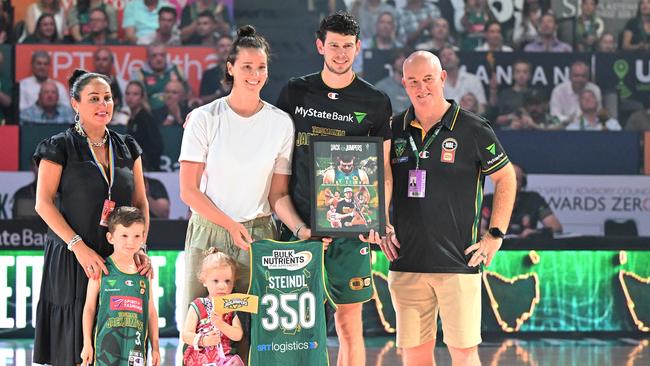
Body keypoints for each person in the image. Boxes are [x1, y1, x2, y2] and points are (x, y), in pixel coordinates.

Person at [380, 50, 516, 366]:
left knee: (465, 355)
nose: (421, 87)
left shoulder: (473, 128)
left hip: (458, 263)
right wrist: (379, 223)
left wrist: (495, 234)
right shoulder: (393, 128)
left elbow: (506, 177)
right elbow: (378, 180)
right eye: (413, 81)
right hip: (406, 261)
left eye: (428, 79)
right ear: (404, 84)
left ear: (442, 78)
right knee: (414, 356)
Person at [276, 12, 393, 366]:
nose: (340, 53)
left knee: (348, 325)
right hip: (299, 227)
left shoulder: (375, 102)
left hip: (351, 232)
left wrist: (378, 220)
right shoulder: (295, 91)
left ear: (357, 48)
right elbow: (265, 136)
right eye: (333, 45)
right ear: (319, 46)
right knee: (295, 327)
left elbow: (383, 172)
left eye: (347, 46)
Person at [179, 25, 303, 333]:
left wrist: (302, 230)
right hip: (209, 235)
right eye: (247, 66)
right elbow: (188, 191)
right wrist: (230, 226)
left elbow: (278, 196)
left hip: (258, 237)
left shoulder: (281, 124)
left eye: (261, 67)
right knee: (199, 332)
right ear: (230, 68)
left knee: (253, 336)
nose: (255, 74)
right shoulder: (204, 118)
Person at [32, 69, 152, 365]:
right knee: (75, 349)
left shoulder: (127, 147)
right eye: (94, 99)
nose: (103, 105)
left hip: (118, 258)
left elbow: (140, 202)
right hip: (74, 258)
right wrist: (79, 247)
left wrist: (140, 247)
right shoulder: (59, 146)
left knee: (117, 345)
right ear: (75, 104)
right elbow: (43, 204)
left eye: (108, 98)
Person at [80, 207, 160, 366]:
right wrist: (87, 343)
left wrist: (155, 348)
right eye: (124, 235)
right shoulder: (101, 270)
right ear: (110, 237)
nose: (131, 241)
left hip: (135, 352)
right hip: (105, 352)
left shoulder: (144, 273)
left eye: (137, 236)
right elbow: (89, 308)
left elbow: (151, 312)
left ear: (143, 237)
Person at [181, 248, 244, 365]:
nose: (222, 286)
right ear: (204, 281)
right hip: (200, 357)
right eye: (215, 281)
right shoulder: (198, 305)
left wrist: (220, 324)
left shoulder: (232, 306)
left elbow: (238, 335)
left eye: (227, 281)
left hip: (224, 358)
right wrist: (204, 341)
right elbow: (186, 335)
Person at [482, 164, 561, 238]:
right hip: (497, 249)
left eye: (515, 179)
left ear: (522, 183)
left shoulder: (534, 199)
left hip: (526, 247)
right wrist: (498, 237)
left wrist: (535, 232)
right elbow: (480, 229)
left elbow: (556, 227)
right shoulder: (488, 201)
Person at [132, 43, 185, 110]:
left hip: (176, 113)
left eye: (162, 55)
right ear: (148, 57)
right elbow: (136, 100)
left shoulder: (176, 69)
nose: (159, 59)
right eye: (154, 55)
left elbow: (188, 92)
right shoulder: (140, 74)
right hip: (151, 114)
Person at [124, 80, 163, 171]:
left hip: (147, 170)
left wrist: (146, 163)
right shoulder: (131, 119)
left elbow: (157, 146)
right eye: (128, 93)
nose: (130, 97)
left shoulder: (146, 118)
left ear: (142, 97)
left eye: (135, 94)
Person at [439, 46, 487, 114]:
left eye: (450, 54)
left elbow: (482, 106)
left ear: (457, 59)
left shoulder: (473, 80)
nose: (447, 58)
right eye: (443, 56)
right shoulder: (436, 84)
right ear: (440, 63)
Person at [375, 49, 410, 114]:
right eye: (398, 58)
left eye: (406, 57)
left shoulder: (416, 86)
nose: (403, 60)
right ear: (393, 63)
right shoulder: (382, 87)